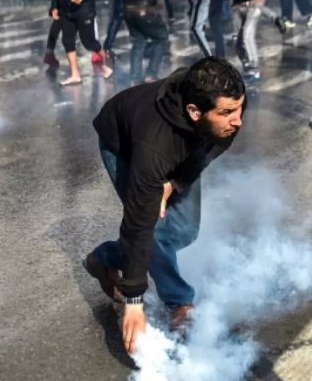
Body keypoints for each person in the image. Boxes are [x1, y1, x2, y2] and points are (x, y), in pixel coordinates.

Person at [84, 56, 245, 353]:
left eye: (239, 108)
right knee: (152, 226)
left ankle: (105, 258)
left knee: (183, 232)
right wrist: (134, 301)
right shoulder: (153, 150)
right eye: (228, 112)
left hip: (178, 146)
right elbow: (138, 220)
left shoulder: (221, 116)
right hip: (123, 144)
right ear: (195, 112)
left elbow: (213, 146)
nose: (238, 120)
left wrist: (176, 182)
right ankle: (180, 303)